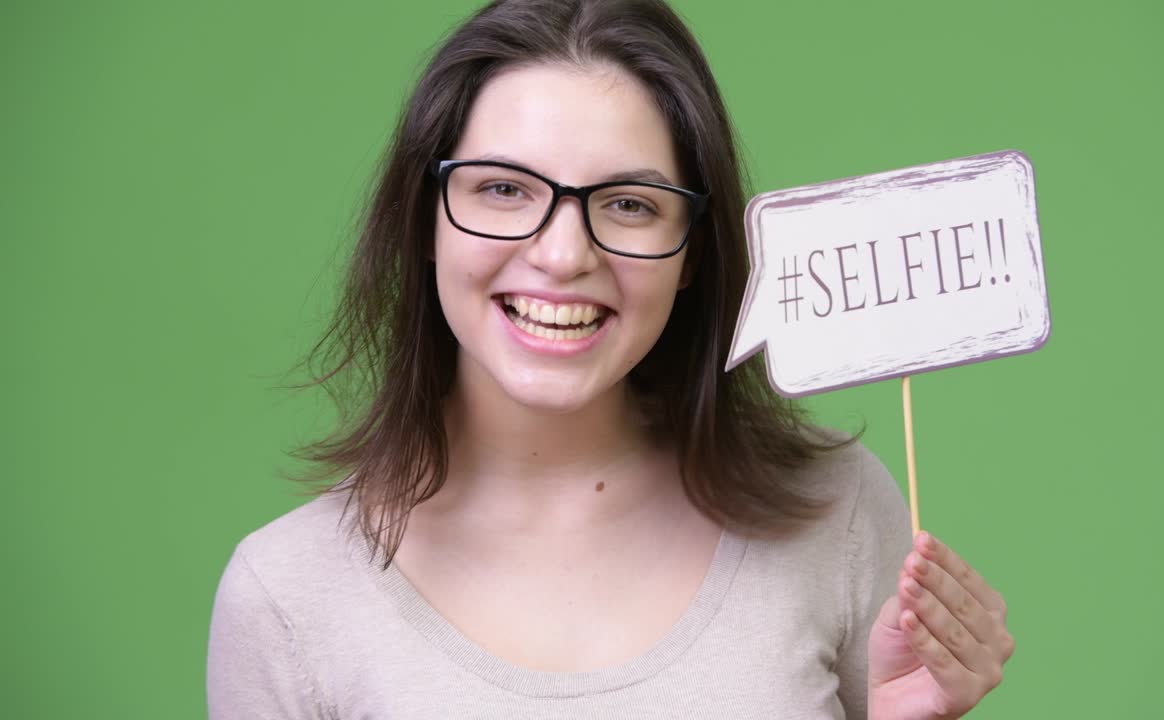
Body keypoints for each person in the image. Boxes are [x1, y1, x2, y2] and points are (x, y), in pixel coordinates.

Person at [206, 0, 1014, 717]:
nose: (562, 256)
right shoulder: (287, 598)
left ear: (691, 250)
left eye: (629, 204)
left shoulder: (836, 513)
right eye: (502, 189)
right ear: (427, 217)